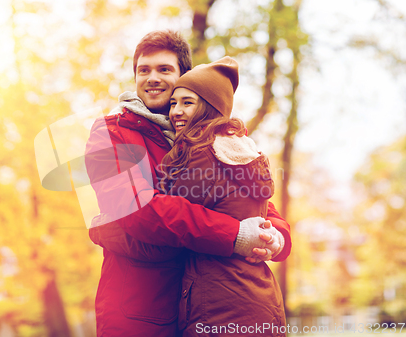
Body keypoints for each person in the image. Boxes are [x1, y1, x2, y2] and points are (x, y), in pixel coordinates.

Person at [85, 30, 291, 337]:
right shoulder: (113, 133)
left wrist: (276, 235)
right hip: (141, 313)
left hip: (207, 305)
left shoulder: (209, 139)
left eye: (164, 69)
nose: (152, 78)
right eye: (144, 70)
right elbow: (137, 208)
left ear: (183, 76)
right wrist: (234, 234)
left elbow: (251, 200)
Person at [160, 56, 285, 336]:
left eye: (187, 103)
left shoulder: (200, 155)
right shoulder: (241, 150)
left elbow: (163, 210)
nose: (175, 112)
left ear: (209, 108)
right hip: (260, 296)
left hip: (219, 304)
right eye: (173, 103)